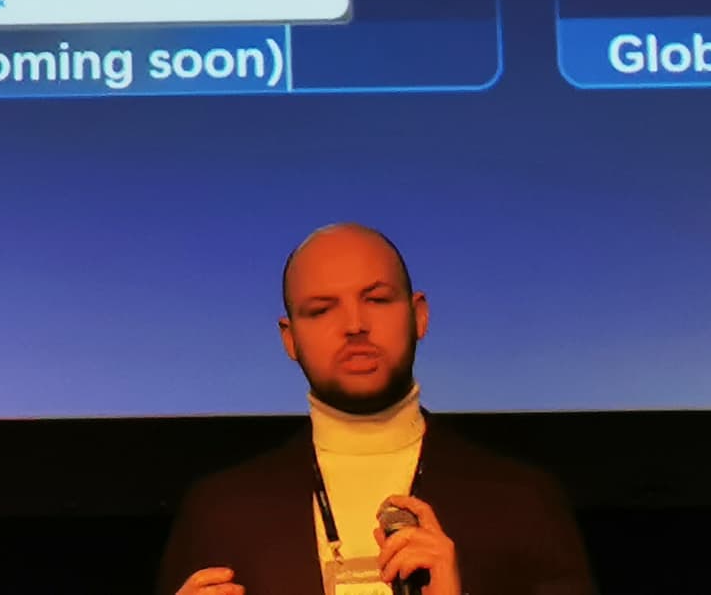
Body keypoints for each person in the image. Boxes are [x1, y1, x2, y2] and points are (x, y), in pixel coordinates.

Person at [158, 224, 593, 595]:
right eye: (321, 310)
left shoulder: (520, 501)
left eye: (377, 300)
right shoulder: (221, 513)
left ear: (419, 315)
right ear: (289, 339)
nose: (354, 325)